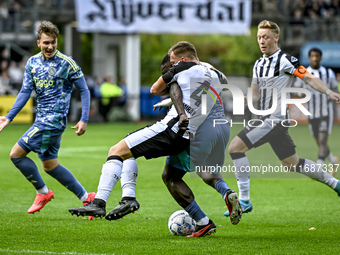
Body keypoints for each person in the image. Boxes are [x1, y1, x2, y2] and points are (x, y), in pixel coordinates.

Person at [69, 42, 241, 236]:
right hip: (190, 135)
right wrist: (175, 97)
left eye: (174, 61)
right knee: (170, 176)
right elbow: (217, 84)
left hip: (171, 129)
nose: (172, 65)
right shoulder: (214, 73)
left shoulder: (182, 67)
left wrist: (172, 75)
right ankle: (203, 222)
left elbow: (155, 89)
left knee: (116, 151)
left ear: (182, 60)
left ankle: (100, 202)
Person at [224, 20, 340, 218]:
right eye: (259, 37)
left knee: (235, 148)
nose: (262, 41)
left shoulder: (286, 60)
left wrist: (328, 91)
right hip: (268, 119)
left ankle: (244, 199)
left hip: (274, 118)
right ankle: (336, 184)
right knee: (292, 163)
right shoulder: (258, 64)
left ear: (276, 38)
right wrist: (242, 100)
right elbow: (255, 96)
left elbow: (309, 77)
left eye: (266, 37)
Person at [0, 21, 95, 216]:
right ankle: (88, 199)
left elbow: (84, 90)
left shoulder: (66, 63)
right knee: (50, 165)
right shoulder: (32, 63)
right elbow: (25, 92)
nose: (50, 46)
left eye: (53, 42)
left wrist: (84, 118)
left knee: (16, 155)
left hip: (53, 121)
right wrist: (8, 117)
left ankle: (43, 192)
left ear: (57, 41)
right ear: (38, 43)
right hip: (41, 121)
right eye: (46, 43)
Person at [294, 48, 339, 172]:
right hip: (312, 112)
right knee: (319, 140)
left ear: (320, 57)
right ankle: (332, 159)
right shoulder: (305, 72)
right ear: (309, 58)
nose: (314, 59)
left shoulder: (328, 73)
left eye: (317, 56)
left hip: (326, 113)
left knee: (323, 139)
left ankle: (319, 169)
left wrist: (332, 101)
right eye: (312, 56)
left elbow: (335, 91)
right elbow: (297, 91)